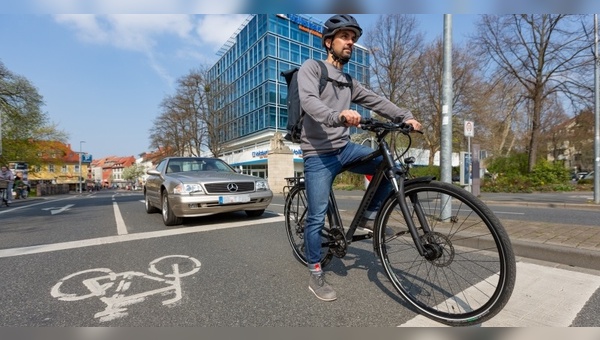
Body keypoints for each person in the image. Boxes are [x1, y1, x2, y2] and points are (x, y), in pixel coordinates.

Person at [297, 14, 422, 301]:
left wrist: (405, 117)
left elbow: (377, 101)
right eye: (344, 37)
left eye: (353, 38)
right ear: (329, 42)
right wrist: (337, 115)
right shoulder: (312, 68)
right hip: (318, 153)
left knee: (391, 166)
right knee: (316, 217)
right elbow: (309, 101)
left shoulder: (349, 81)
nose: (351, 42)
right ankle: (315, 271)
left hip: (344, 148)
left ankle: (368, 216)